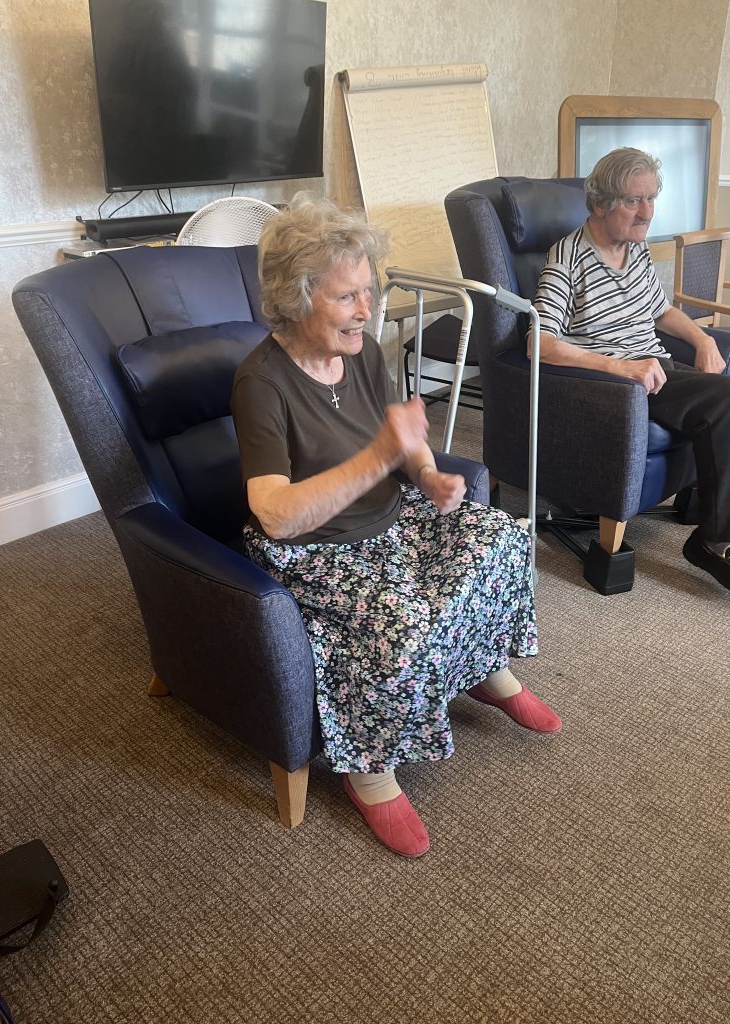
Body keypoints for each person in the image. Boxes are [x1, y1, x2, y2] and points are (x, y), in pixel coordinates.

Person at [231, 193, 561, 858]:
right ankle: (370, 772)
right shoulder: (259, 382)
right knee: (396, 616)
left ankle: (485, 670)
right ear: (297, 299)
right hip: (316, 551)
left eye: (369, 293)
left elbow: (398, 439)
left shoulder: (360, 352)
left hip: (391, 517)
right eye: (348, 297)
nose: (367, 311)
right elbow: (274, 512)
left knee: (499, 540)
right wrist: (380, 458)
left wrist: (425, 472)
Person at [532, 147, 730, 598]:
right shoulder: (568, 259)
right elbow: (538, 341)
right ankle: (718, 543)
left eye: (651, 198)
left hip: (657, 368)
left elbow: (660, 311)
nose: (646, 213)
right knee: (729, 398)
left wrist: (702, 340)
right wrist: (620, 366)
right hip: (617, 386)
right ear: (599, 203)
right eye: (633, 201)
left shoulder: (634, 251)